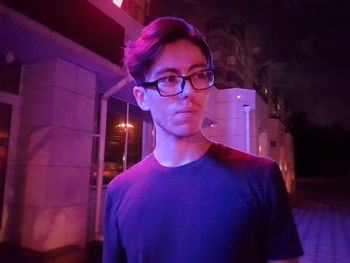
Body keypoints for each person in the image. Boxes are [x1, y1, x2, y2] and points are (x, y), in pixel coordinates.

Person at [103, 16, 303, 263]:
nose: (188, 92)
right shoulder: (120, 191)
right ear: (141, 97)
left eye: (198, 75)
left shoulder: (260, 177)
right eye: (169, 79)